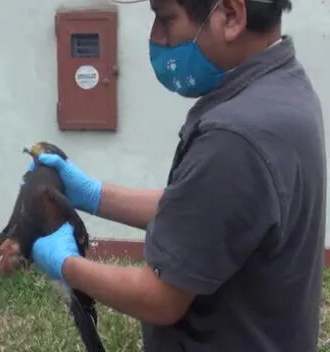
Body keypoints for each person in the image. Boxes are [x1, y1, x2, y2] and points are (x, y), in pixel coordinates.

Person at [28, 0, 325, 351]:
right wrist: (92, 195)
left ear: (230, 15)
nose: (155, 36)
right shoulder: (282, 89)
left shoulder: (235, 136)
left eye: (165, 18)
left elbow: (161, 299)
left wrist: (66, 264)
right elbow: (204, 213)